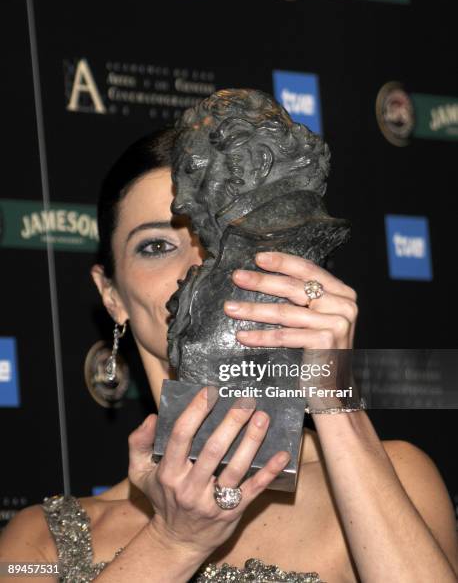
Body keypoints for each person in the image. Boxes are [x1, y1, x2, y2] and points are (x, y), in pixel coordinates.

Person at [0, 125, 457, 583]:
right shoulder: (41, 542)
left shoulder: (391, 476)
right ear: (112, 294)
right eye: (157, 246)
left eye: (228, 237)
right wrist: (174, 542)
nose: (198, 268)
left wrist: (335, 397)